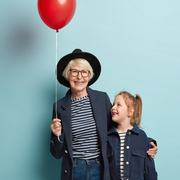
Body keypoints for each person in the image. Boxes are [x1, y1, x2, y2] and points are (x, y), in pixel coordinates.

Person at [50, 49, 158, 180]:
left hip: (100, 167)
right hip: (75, 169)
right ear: (67, 75)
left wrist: (147, 143)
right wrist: (57, 136)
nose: (79, 77)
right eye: (74, 71)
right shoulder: (59, 107)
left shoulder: (101, 99)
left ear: (89, 76)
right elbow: (56, 154)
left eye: (84, 72)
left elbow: (118, 129)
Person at [107, 91, 158, 180]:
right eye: (113, 104)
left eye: (118, 105)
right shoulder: (108, 137)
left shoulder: (142, 137)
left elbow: (150, 171)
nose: (113, 107)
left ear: (130, 111)